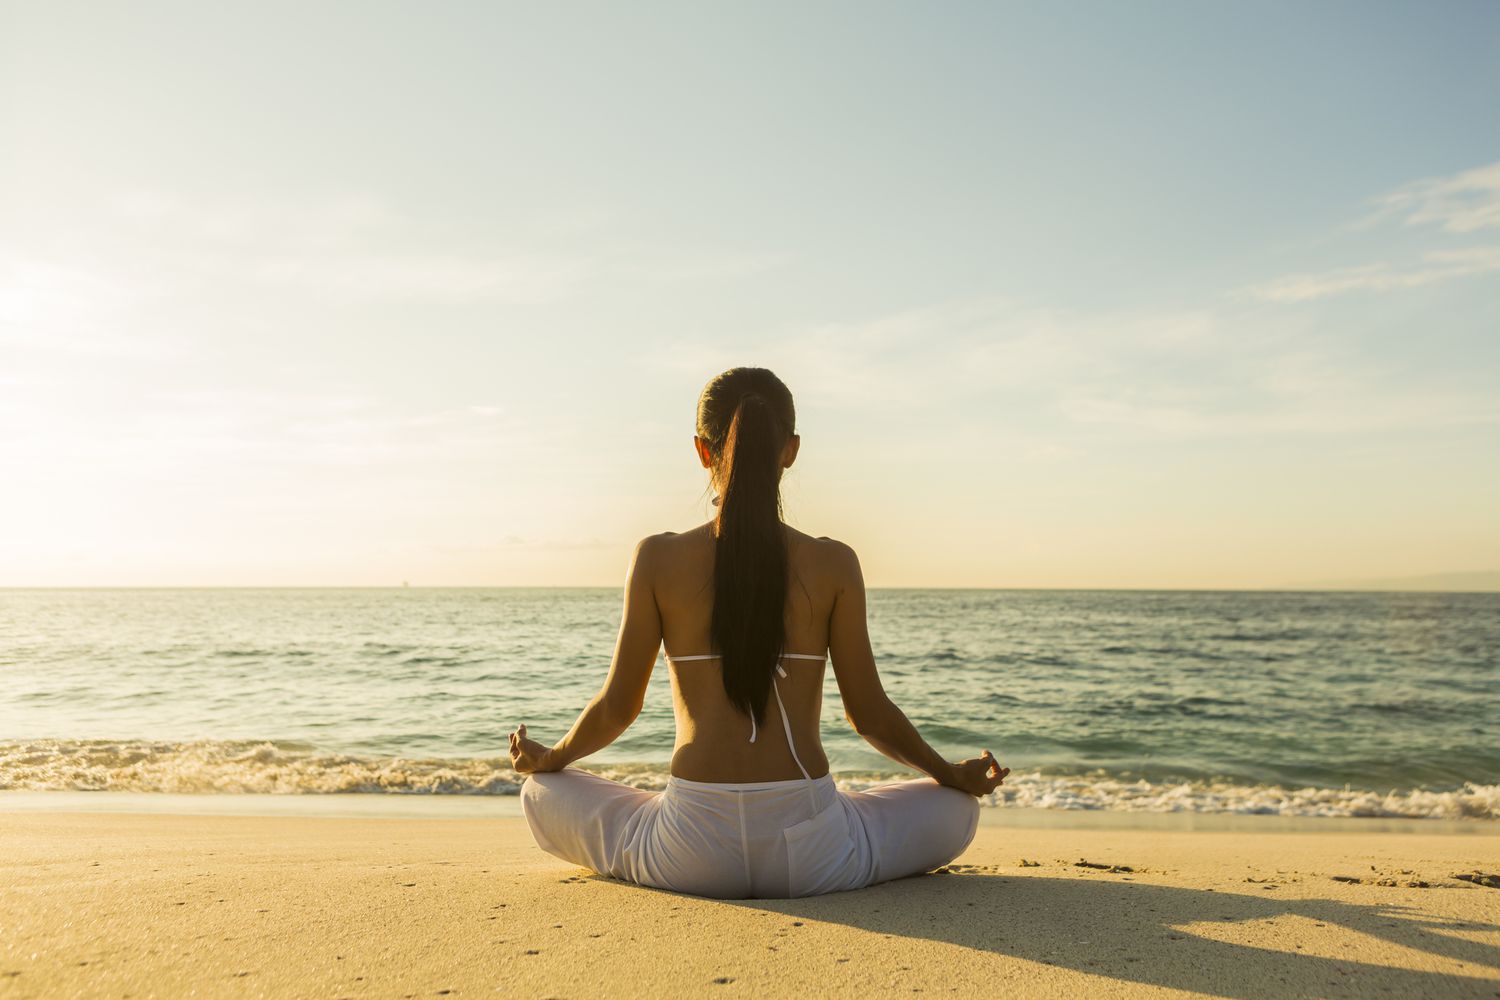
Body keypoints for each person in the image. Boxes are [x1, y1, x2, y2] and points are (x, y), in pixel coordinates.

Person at [510, 366, 1008, 899]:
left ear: (702, 451)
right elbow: (868, 715)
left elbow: (617, 708)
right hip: (816, 855)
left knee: (541, 792)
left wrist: (550, 759)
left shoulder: (657, 558)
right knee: (954, 808)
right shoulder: (834, 563)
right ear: (790, 450)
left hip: (687, 852)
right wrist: (946, 774)